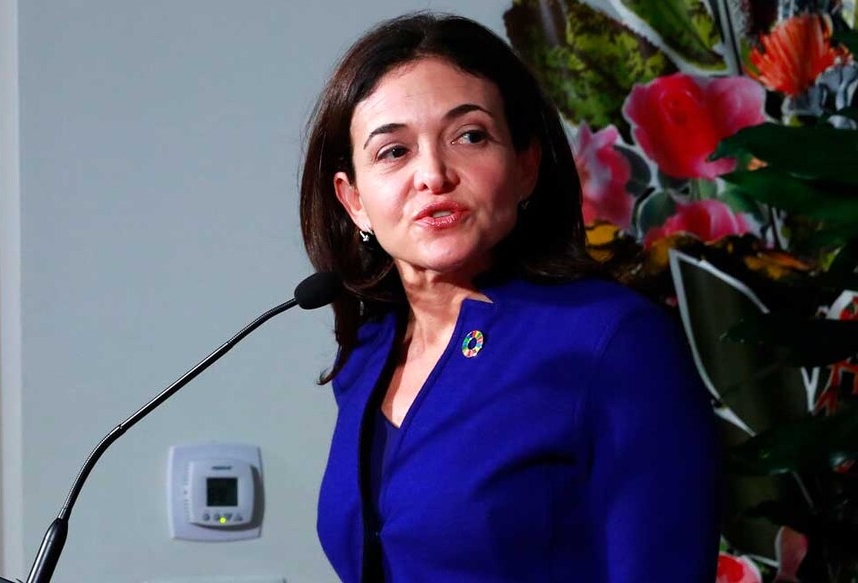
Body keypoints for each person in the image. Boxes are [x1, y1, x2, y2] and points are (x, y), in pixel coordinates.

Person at [299, 12, 720, 583]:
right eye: (393, 151)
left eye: (469, 136)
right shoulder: (367, 354)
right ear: (354, 202)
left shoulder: (611, 340)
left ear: (526, 167)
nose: (433, 175)